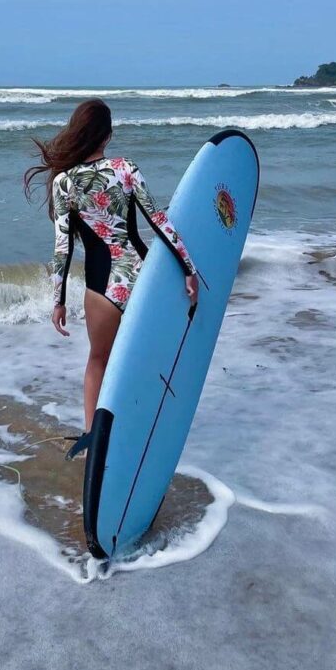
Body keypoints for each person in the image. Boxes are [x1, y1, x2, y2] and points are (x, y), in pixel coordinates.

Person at [24, 98, 198, 453]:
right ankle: (145, 427)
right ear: (107, 135)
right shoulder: (125, 168)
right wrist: (188, 269)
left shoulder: (63, 183)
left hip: (101, 288)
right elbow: (158, 222)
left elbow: (63, 249)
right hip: (142, 281)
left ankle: (94, 438)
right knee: (147, 358)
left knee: (98, 361)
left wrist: (57, 302)